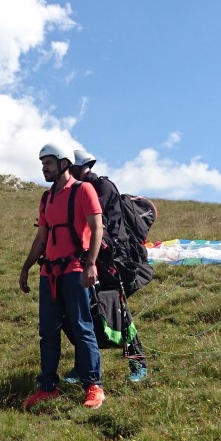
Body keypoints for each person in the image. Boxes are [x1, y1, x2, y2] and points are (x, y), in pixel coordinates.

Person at [19, 143, 106, 410]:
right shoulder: (46, 198)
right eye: (42, 164)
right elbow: (42, 237)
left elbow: (97, 227)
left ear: (64, 163)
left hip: (76, 271)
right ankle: (48, 387)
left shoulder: (83, 190)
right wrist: (26, 267)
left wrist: (91, 264)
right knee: (48, 332)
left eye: (48, 163)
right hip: (50, 273)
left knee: (82, 328)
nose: (44, 168)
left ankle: (94, 386)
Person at [69, 148, 150, 383]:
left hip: (116, 262)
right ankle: (82, 367)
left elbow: (97, 222)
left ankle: (138, 363)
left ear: (77, 168)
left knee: (119, 311)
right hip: (94, 259)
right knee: (84, 311)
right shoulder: (82, 189)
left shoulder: (102, 188)